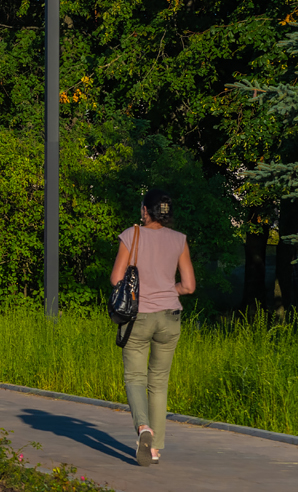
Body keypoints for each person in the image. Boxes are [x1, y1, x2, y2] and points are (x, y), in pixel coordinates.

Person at [110, 189, 195, 466]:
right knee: (159, 383)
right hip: (170, 317)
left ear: (145, 210)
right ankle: (155, 448)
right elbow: (189, 286)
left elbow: (116, 279)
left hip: (138, 318)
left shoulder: (131, 235)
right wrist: (169, 290)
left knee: (135, 377)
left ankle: (143, 427)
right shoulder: (179, 240)